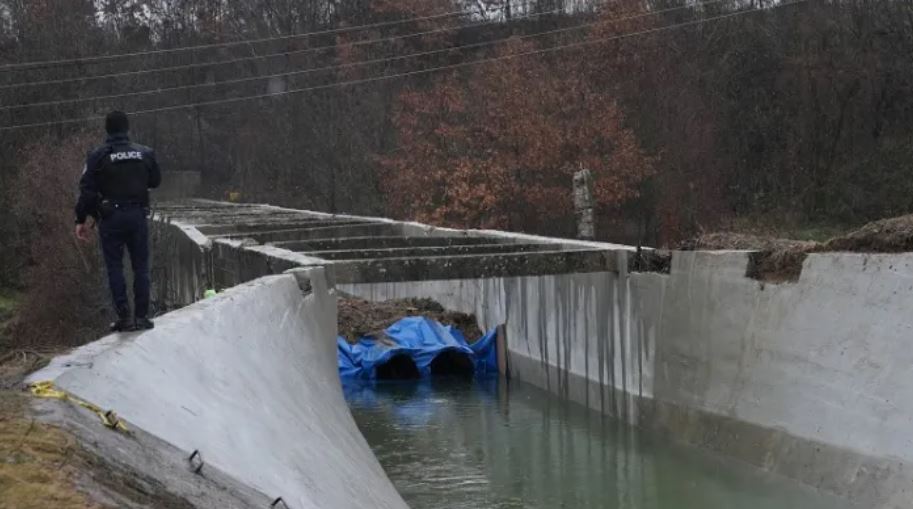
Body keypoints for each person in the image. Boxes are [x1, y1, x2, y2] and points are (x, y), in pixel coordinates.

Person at [75, 111, 161, 332]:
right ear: (127, 128)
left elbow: (86, 190)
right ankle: (141, 317)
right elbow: (155, 180)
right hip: (137, 215)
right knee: (141, 267)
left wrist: (81, 219)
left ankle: (124, 317)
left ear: (107, 129)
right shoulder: (144, 153)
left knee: (114, 268)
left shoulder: (97, 156)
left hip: (110, 217)